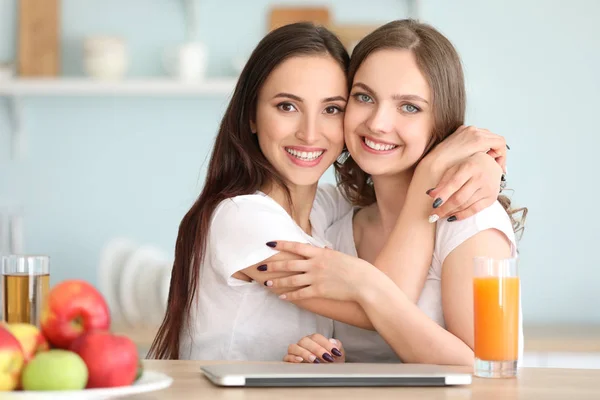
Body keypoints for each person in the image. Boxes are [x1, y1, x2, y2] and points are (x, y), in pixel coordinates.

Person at [147, 22, 508, 361]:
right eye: (287, 106)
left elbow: (494, 372)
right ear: (251, 117)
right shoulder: (243, 217)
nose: (309, 132)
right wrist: (428, 179)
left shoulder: (329, 210)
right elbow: (373, 308)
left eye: (332, 108)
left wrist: (482, 164)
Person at [261, 19, 526, 366]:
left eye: (409, 107)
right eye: (364, 97)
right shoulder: (337, 224)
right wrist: (334, 368)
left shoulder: (470, 222)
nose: (378, 123)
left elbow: (492, 371)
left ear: (441, 121)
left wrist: (363, 282)